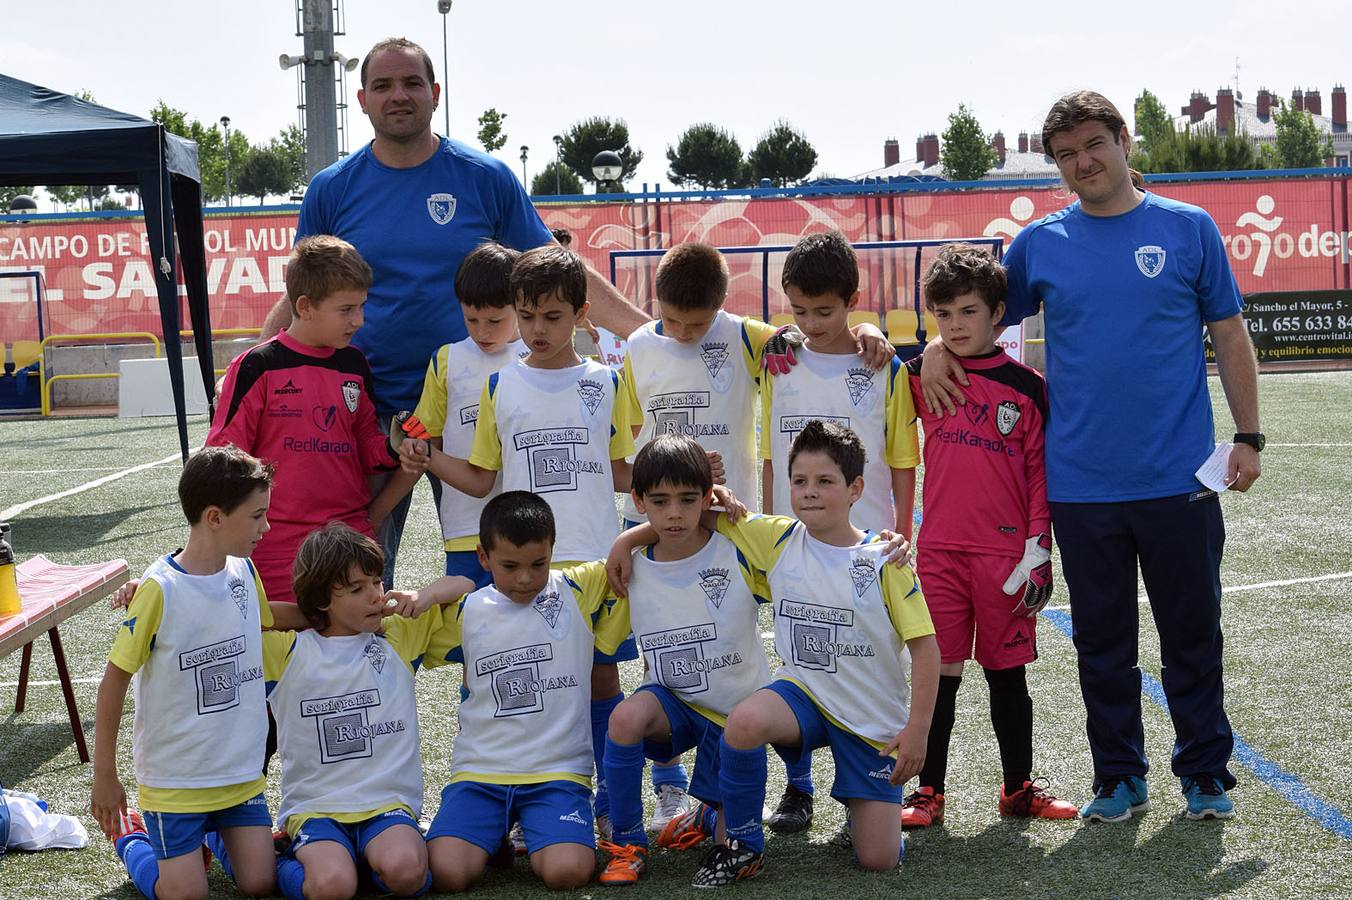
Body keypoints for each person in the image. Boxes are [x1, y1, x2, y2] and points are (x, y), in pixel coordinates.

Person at [919, 90, 1262, 822]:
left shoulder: (1189, 229)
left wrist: (1249, 435)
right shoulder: (1042, 244)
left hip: (1181, 482)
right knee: (1103, 644)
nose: (1084, 162)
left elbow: (1230, 334)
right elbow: (969, 311)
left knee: (1192, 636)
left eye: (1094, 144)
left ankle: (1205, 774)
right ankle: (1120, 780)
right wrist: (928, 350)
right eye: (1068, 154)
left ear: (1124, 140)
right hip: (1082, 488)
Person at [259, 37, 648, 586]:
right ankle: (360, 675)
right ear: (362, 98)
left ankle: (504, 672)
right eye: (384, 85)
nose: (399, 95)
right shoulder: (331, 189)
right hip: (369, 413)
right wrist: (255, 362)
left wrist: (650, 333)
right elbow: (304, 292)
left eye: (412, 83)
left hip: (476, 416)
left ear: (435, 94)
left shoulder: (484, 177)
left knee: (501, 573)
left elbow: (555, 268)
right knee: (355, 574)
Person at [618, 240, 896, 834]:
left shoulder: (751, 337)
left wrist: (870, 327)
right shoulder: (638, 348)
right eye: (673, 320)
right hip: (664, 526)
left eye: (699, 323)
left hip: (737, 527)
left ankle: (797, 786)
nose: (687, 333)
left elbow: (820, 332)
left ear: (722, 309)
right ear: (654, 306)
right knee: (664, 644)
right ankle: (669, 789)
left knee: (772, 651)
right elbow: (629, 440)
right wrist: (632, 531)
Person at [608, 421, 938, 886]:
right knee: (744, 720)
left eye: (825, 481)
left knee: (878, 859)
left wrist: (917, 728)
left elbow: (926, 649)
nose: (809, 492)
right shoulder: (776, 538)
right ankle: (742, 845)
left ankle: (865, 813)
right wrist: (627, 540)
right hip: (803, 694)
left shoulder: (885, 558)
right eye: (799, 481)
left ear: (855, 488)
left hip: (870, 718)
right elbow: (685, 517)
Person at [401, 245, 638, 841]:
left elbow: (619, 471)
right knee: (498, 676)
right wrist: (427, 456)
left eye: (552, 318)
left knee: (601, 681)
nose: (536, 329)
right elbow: (483, 479)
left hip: (593, 560)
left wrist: (685, 478)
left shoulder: (609, 383)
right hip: (523, 567)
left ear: (582, 316)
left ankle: (609, 802)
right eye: (527, 315)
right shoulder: (500, 386)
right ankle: (499, 796)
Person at [900, 244, 1077, 829]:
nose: (954, 326)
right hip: (941, 552)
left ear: (999, 313)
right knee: (940, 675)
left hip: (1005, 556)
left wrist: (1038, 547)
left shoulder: (1027, 388)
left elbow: (1037, 472)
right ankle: (928, 791)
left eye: (968, 312)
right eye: (943, 315)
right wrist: (921, 354)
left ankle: (1018, 787)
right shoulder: (923, 378)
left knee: (1008, 676)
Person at [91, 446, 277, 900]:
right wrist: (104, 774)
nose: (266, 527)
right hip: (176, 781)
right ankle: (132, 838)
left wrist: (337, 613)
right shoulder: (159, 590)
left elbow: (270, 623)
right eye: (256, 517)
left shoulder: (244, 571)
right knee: (186, 895)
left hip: (238, 772)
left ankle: (209, 836)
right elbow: (113, 681)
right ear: (214, 517)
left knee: (260, 882)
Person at [420, 491, 631, 892]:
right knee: (447, 873)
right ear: (483, 557)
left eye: (539, 564)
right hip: (480, 773)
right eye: (510, 565)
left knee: (566, 873)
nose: (525, 578)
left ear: (553, 549)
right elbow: (399, 631)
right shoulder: (468, 610)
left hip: (556, 773)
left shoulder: (576, 588)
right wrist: (430, 593)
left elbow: (650, 547)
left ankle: (535, 829)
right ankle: (492, 836)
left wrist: (626, 539)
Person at [594, 435, 770, 885]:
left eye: (688, 499)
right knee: (624, 717)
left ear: (707, 497)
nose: (674, 513)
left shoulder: (740, 550)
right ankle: (630, 842)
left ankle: (709, 821)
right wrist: (625, 540)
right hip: (672, 703)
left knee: (731, 852)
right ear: (638, 500)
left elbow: (810, 548)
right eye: (660, 500)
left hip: (735, 718)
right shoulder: (626, 568)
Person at [264, 524, 475, 900]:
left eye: (377, 583)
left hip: (387, 804)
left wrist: (424, 596)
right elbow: (240, 618)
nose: (376, 597)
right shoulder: (287, 650)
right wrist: (307, 615)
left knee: (407, 872)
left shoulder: (399, 634)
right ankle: (280, 856)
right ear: (322, 598)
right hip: (316, 807)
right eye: (357, 589)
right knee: (331, 887)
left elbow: (466, 586)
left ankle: (359, 865)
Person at [203, 235, 399, 606]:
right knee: (282, 655)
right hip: (275, 548)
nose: (359, 320)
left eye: (361, 307)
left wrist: (394, 447)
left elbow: (368, 449)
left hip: (349, 541)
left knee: (356, 654)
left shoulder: (354, 364)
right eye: (346, 310)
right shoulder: (258, 366)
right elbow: (223, 458)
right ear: (305, 306)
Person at [379, 242, 527, 589]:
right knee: (463, 634)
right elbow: (424, 446)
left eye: (494, 320)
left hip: (531, 531)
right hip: (465, 530)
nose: (482, 331)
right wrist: (378, 511)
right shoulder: (447, 361)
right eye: (471, 319)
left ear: (522, 303)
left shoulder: (538, 359)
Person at [761, 231, 919, 539]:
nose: (811, 323)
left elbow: (903, 462)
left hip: (868, 543)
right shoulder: (778, 366)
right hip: (793, 545)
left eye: (824, 312)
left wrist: (903, 534)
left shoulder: (886, 370)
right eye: (799, 311)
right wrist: (769, 532)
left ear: (853, 300)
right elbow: (772, 461)